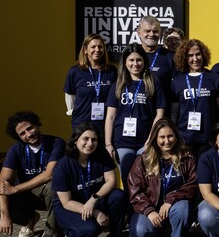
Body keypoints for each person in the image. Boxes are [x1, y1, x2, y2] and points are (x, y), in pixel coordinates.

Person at [52, 123, 127, 237]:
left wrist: (94, 199)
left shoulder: (101, 154)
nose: (90, 143)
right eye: (85, 139)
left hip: (93, 199)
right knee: (91, 230)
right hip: (69, 207)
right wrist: (95, 212)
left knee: (118, 195)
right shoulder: (62, 165)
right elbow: (66, 202)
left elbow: (111, 181)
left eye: (94, 139)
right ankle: (70, 235)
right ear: (76, 140)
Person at [127, 120, 197, 237]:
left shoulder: (186, 157)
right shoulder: (143, 159)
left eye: (170, 136)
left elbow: (193, 184)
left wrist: (170, 200)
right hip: (151, 205)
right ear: (155, 138)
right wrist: (149, 210)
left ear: (176, 136)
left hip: (174, 205)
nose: (167, 141)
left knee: (183, 208)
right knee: (141, 231)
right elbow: (135, 189)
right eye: (162, 137)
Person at [0, 111, 64, 237]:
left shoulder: (56, 143)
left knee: (53, 185)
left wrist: (14, 189)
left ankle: (52, 228)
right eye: (22, 133)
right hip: (27, 194)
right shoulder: (15, 150)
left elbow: (50, 174)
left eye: (30, 128)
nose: (29, 134)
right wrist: (4, 215)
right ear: (18, 137)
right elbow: (3, 182)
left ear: (37, 124)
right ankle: (30, 218)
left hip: (50, 193)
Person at [104, 43, 167, 182]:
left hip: (146, 141)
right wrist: (108, 144)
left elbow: (160, 114)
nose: (135, 64)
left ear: (144, 61)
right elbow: (110, 116)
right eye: (131, 60)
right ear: (125, 62)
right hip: (122, 142)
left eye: (138, 60)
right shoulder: (118, 84)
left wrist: (150, 141)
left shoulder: (153, 83)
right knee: (128, 181)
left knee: (148, 180)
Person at [170, 39, 219, 157]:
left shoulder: (214, 78)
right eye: (190, 55)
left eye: (198, 54)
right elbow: (174, 113)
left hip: (208, 137)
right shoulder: (177, 81)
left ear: (203, 55)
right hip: (185, 138)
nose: (195, 59)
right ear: (184, 58)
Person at [64, 34, 117, 135]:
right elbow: (69, 95)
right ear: (85, 49)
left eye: (100, 47)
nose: (97, 50)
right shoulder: (75, 71)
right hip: (81, 123)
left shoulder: (112, 71)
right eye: (93, 47)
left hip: (105, 125)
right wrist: (72, 111)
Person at [137, 16, 176, 95]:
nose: (151, 34)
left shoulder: (171, 57)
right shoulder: (132, 55)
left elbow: (177, 86)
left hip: (162, 105)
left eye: (155, 31)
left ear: (160, 33)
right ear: (139, 33)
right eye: (147, 31)